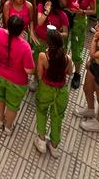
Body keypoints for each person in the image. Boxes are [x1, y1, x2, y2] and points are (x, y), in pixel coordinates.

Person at [0, 15, 35, 136]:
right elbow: (29, 70)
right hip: (16, 82)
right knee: (12, 105)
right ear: (22, 30)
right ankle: (7, 127)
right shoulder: (25, 47)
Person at [34, 27, 73, 157]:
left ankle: (41, 141)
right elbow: (69, 72)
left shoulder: (43, 56)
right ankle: (55, 146)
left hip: (46, 89)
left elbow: (39, 74)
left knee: (41, 111)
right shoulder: (67, 58)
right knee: (57, 117)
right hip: (61, 91)